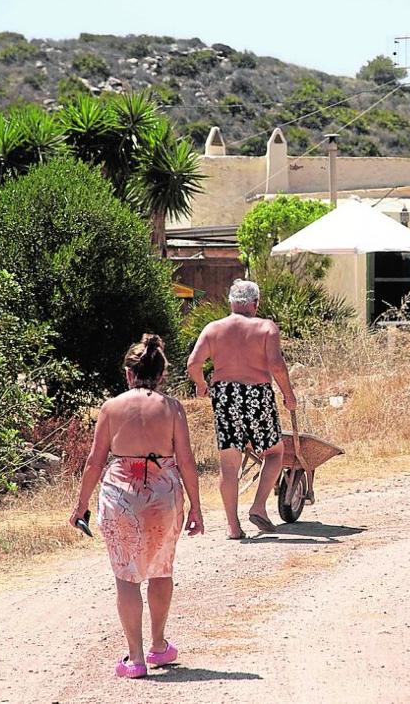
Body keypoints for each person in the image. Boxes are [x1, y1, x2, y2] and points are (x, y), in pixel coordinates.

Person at [70, 334, 204, 679]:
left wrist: (81, 504)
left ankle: (136, 658)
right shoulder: (172, 408)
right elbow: (187, 460)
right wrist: (197, 507)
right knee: (161, 569)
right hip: (164, 494)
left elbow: (94, 462)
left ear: (129, 373)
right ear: (160, 375)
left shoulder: (111, 408)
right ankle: (159, 646)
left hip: (120, 495)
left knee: (126, 577)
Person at [186, 279, 297, 539]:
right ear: (255, 304)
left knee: (229, 463)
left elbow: (193, 363)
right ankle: (258, 507)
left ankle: (233, 527)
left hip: (225, 395)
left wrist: (202, 384)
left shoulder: (213, 329)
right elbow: (277, 366)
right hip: (257, 392)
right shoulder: (266, 328)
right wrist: (288, 395)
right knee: (274, 452)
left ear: (231, 303)